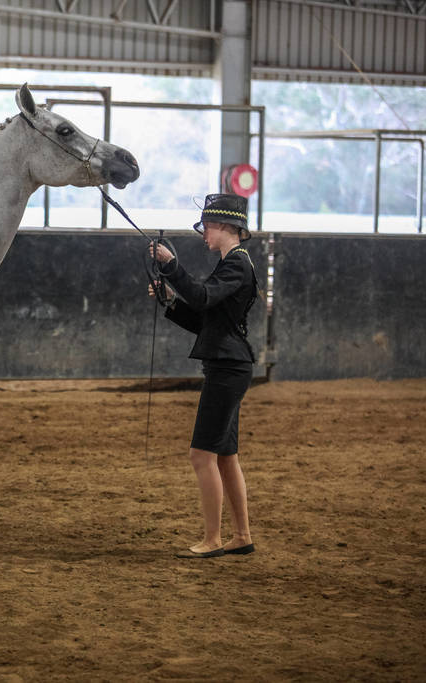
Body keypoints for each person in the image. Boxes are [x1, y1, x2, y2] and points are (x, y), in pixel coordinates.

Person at [148, 193, 259, 559]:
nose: (203, 234)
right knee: (225, 455)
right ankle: (240, 535)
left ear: (227, 227)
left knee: (201, 455)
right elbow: (205, 318)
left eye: (207, 226)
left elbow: (201, 296)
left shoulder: (236, 265)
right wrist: (171, 297)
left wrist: (171, 267)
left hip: (227, 368)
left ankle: (212, 540)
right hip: (229, 364)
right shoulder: (232, 264)